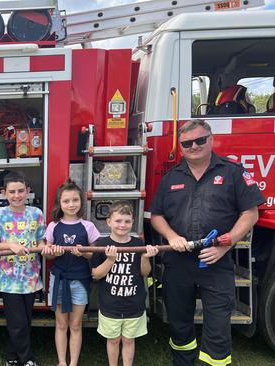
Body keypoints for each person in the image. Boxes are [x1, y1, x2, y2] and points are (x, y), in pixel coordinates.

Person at [149, 119, 265, 366]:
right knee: (179, 325)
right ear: (180, 147)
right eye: (187, 143)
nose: (194, 146)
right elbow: (156, 216)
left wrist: (227, 243)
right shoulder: (171, 178)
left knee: (218, 326)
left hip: (216, 261)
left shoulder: (233, 172)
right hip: (178, 262)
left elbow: (250, 213)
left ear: (211, 140)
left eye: (200, 140)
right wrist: (171, 237)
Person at [0, 171, 47, 366]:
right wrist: (11, 245)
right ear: (4, 193)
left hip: (31, 278)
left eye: (21, 191)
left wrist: (45, 246)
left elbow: (41, 240)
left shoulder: (36, 214)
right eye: (12, 192)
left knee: (23, 322)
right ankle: (27, 360)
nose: (17, 195)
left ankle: (11, 357)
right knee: (17, 322)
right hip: (9, 279)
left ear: (28, 191)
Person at [91, 201, 159, 366]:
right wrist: (110, 260)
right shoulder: (101, 244)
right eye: (118, 221)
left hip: (134, 303)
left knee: (129, 340)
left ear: (132, 222)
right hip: (110, 304)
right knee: (113, 340)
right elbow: (96, 274)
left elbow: (145, 272)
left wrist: (145, 257)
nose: (123, 225)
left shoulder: (138, 244)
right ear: (108, 222)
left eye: (127, 221)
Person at [44, 178, 101, 366]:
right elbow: (48, 255)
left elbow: (94, 254)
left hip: (80, 281)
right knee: (61, 324)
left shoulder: (88, 226)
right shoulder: (53, 226)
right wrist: (53, 252)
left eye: (75, 200)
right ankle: (62, 362)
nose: (71, 204)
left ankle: (73, 362)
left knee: (76, 325)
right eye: (66, 201)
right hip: (59, 280)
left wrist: (84, 253)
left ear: (80, 202)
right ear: (59, 203)